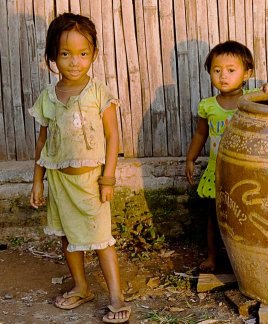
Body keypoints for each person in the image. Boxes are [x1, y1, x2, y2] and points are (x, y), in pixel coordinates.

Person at [29, 13, 130, 323]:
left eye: (83, 54)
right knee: (66, 236)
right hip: (59, 181)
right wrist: (38, 181)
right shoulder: (48, 97)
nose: (74, 61)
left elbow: (113, 136)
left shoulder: (99, 93)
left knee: (101, 238)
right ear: (51, 57)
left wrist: (108, 177)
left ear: (94, 55)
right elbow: (43, 140)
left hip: (91, 181)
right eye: (65, 54)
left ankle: (116, 295)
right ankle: (82, 286)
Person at [185, 40, 268, 272]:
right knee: (214, 216)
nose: (223, 76)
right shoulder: (208, 106)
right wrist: (190, 158)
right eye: (216, 71)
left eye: (230, 70)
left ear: (247, 73)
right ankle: (212, 257)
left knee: (245, 213)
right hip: (217, 169)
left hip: (245, 169)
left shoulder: (251, 100)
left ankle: (245, 255)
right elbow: (200, 135)